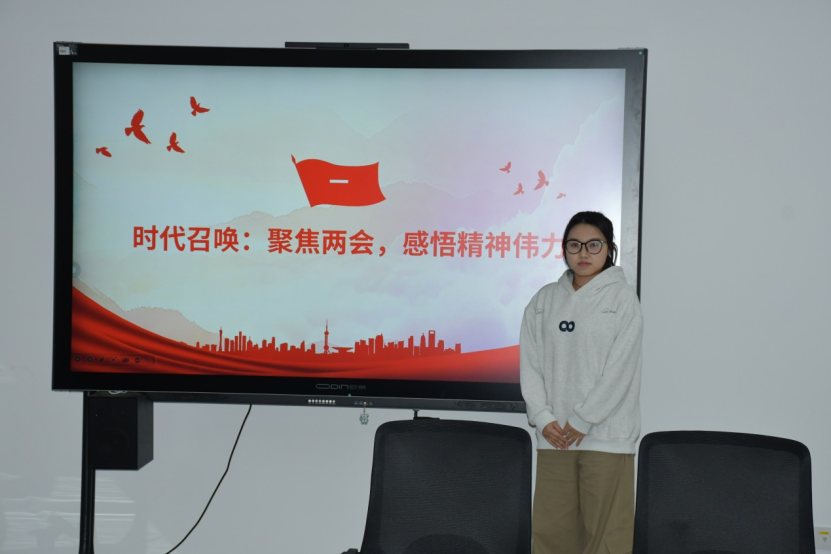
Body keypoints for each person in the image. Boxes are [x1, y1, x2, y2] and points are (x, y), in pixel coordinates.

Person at [519, 211, 643, 554]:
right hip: (555, 436)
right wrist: (542, 417)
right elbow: (530, 364)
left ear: (609, 248)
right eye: (574, 245)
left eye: (593, 245)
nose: (583, 253)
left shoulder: (622, 299)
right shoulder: (544, 300)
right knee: (552, 536)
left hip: (606, 436)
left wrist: (584, 418)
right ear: (564, 249)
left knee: (606, 539)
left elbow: (621, 369)